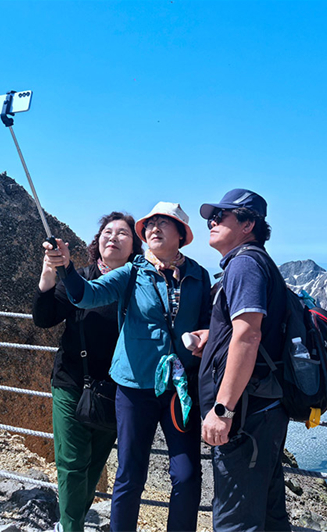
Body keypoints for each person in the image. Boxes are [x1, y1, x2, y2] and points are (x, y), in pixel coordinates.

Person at [50, 202, 211, 532]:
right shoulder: (132, 272)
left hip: (179, 389)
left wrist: (205, 335)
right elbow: (87, 295)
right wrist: (66, 268)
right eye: (150, 223)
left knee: (186, 475)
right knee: (130, 473)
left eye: (164, 223)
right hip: (134, 388)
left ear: (181, 234)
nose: (155, 228)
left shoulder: (198, 276)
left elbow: (210, 322)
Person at [32, 211, 143, 532]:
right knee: (72, 463)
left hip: (117, 389)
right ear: (98, 241)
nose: (113, 237)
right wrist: (49, 272)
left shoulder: (140, 286)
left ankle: (71, 523)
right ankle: (70, 528)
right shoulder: (80, 278)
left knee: (94, 465)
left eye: (123, 233)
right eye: (107, 232)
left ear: (134, 246)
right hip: (71, 382)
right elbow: (44, 318)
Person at [196, 189, 291, 532]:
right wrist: (213, 340)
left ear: (248, 224)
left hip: (245, 417)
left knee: (235, 522)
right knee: (268, 517)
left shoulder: (245, 264)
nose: (212, 221)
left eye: (221, 216)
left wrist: (223, 411)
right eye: (211, 216)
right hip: (263, 411)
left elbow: (249, 336)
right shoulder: (256, 262)